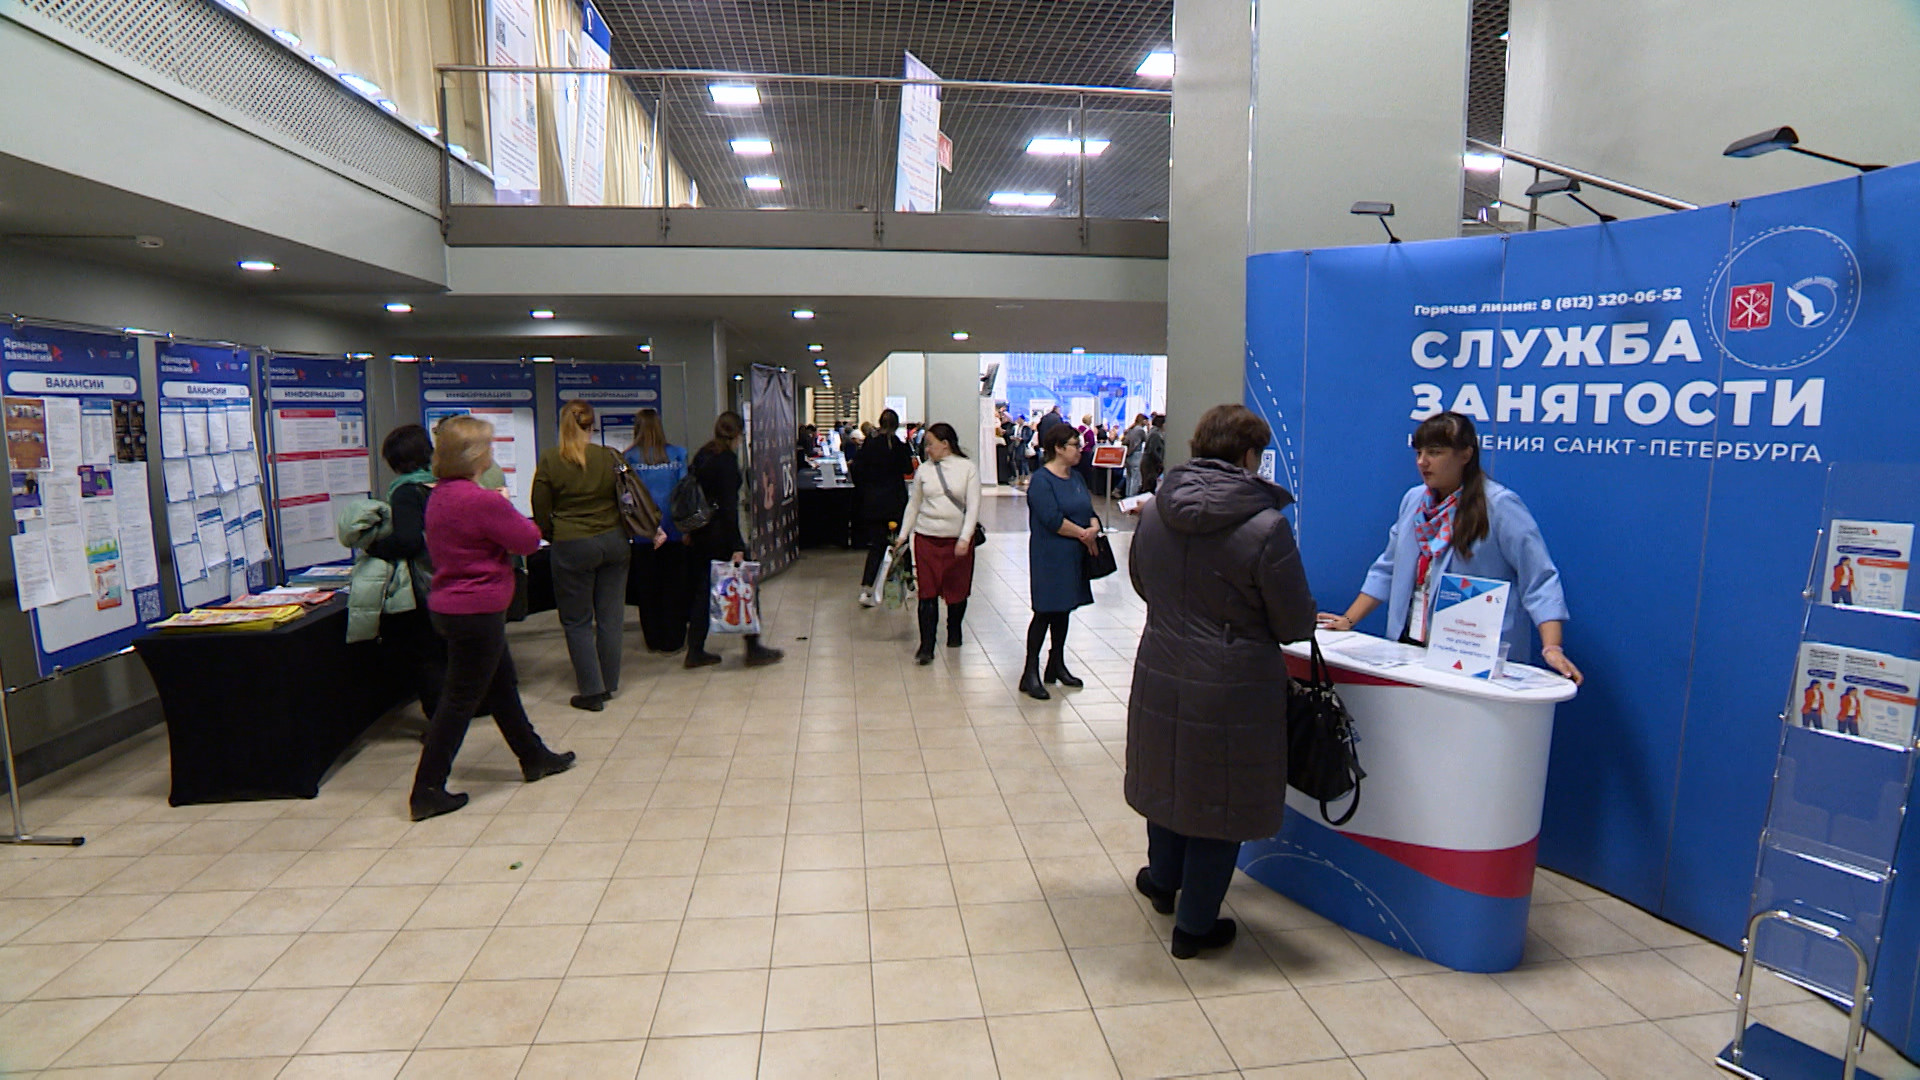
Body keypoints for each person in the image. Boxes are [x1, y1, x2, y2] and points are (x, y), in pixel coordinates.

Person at [1126, 404, 1316, 958]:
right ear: (1249, 455)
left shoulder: (1157, 510)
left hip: (1161, 665)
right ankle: (1196, 927)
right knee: (1220, 802)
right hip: (1234, 684)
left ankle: (1163, 883)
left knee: (1169, 782)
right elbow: (1293, 623)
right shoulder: (1266, 526)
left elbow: (1143, 583)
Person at [1318, 411, 1582, 682]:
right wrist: (1349, 620)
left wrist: (1552, 647)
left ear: (1465, 455)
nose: (1423, 462)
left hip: (1474, 657)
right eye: (1419, 452)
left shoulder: (1499, 505)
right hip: (1410, 650)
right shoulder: (1414, 501)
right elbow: (1387, 568)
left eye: (1435, 452)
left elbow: (1539, 578)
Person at [411, 416, 573, 821]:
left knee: (501, 685)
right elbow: (527, 540)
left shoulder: (441, 495)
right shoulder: (480, 499)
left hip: (454, 606)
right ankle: (426, 789)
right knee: (460, 700)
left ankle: (534, 756)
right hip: (477, 609)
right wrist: (503, 505)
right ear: (476, 455)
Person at [533, 399, 631, 712]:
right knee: (611, 617)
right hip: (613, 542)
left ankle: (591, 690)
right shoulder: (609, 456)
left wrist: (554, 534)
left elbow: (541, 509)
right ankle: (610, 683)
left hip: (572, 543)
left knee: (577, 620)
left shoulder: (550, 459)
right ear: (592, 426)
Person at [686, 411, 784, 669]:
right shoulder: (727, 461)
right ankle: (753, 647)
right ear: (738, 434)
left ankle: (694, 649)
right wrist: (737, 547)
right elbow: (729, 508)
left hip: (701, 531)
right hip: (720, 533)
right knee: (748, 587)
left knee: (702, 590)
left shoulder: (703, 454)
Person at [364, 424, 444, 718]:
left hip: (425, 581)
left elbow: (408, 540)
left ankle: (439, 720)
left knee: (428, 655)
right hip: (452, 575)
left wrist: (374, 546)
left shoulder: (406, 491)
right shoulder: (440, 483)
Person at [1022, 423, 1100, 700]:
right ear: (1058, 448)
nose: (1080, 450)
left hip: (1074, 554)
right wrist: (1083, 533)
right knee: (1045, 610)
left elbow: (1088, 509)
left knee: (1064, 609)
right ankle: (1030, 670)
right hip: (1050, 555)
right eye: (1074, 445)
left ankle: (1056, 664)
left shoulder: (1076, 478)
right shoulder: (1042, 481)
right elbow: (1052, 519)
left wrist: (1093, 527)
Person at [893, 422, 982, 663]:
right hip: (926, 539)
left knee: (957, 591)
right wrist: (902, 535)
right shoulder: (924, 471)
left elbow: (973, 506)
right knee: (927, 593)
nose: (927, 449)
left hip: (957, 542)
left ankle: (954, 629)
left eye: (930, 444)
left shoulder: (967, 468)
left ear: (945, 445)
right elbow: (914, 505)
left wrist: (965, 537)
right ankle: (926, 646)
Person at [626, 408, 690, 653]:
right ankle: (674, 638)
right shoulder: (678, 454)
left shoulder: (629, 458)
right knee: (674, 586)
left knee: (648, 588)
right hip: (674, 530)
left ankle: (653, 638)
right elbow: (684, 493)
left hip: (644, 534)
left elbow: (627, 497)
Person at [851, 409, 915, 607]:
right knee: (901, 545)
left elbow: (856, 469)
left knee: (877, 547)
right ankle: (910, 585)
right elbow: (908, 469)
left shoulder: (869, 446)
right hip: (895, 503)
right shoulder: (899, 447)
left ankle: (867, 589)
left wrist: (865, 492)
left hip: (873, 505)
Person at [1139, 413, 1168, 494]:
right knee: (1149, 486)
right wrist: (1161, 462)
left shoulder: (1153, 432)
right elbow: (1153, 451)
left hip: (1149, 464)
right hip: (1150, 465)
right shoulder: (1155, 434)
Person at [1122, 414, 1149, 497]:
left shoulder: (1131, 429)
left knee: (1129, 477)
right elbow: (1147, 440)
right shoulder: (1140, 430)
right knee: (1135, 478)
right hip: (1136, 455)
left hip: (1128, 457)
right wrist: (1148, 428)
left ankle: (1127, 495)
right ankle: (1132, 496)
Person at [1013, 414, 1034, 485]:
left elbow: (1028, 436)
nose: (1018, 420)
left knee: (1024, 462)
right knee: (1018, 462)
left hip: (1023, 446)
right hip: (1017, 445)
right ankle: (1020, 477)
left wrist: (1023, 439)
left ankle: (1026, 477)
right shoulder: (1017, 427)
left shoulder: (1026, 428)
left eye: (1019, 419)